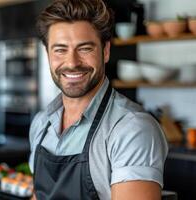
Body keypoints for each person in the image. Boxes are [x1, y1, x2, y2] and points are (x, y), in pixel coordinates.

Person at [28, 0, 168, 199]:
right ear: (48, 54)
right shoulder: (41, 124)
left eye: (85, 48)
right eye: (60, 49)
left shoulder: (131, 129)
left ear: (106, 51)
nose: (72, 62)